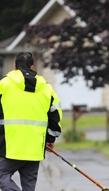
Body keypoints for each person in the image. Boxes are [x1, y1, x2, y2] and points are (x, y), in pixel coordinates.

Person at [0, 52, 62, 191]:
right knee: (29, 185)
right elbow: (55, 115)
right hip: (34, 147)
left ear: (14, 66)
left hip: (10, 146)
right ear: (33, 66)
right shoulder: (46, 88)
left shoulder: (4, 84)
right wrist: (50, 138)